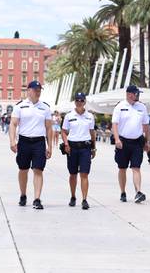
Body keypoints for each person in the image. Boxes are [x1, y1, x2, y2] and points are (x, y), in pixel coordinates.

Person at [9, 80, 53, 210]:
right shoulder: (20, 106)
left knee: (38, 169)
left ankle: (37, 198)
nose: (37, 92)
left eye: (39, 90)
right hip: (24, 141)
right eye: (35, 90)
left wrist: (49, 146)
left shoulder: (45, 107)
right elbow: (13, 124)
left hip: (39, 142)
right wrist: (12, 141)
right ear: (28, 90)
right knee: (23, 169)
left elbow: (49, 128)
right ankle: (23, 195)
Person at [112, 85, 150, 203]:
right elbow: (115, 124)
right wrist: (117, 139)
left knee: (136, 167)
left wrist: (148, 141)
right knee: (122, 168)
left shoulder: (142, 107)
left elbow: (146, 126)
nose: (138, 96)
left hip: (137, 142)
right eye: (136, 94)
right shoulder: (120, 107)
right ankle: (123, 192)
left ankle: (138, 192)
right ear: (129, 94)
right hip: (123, 142)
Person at [61, 93, 96, 210]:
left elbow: (92, 133)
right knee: (72, 174)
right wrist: (66, 144)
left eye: (81, 100)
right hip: (72, 147)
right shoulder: (69, 116)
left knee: (84, 174)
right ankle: (73, 196)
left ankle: (85, 199)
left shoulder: (90, 116)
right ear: (75, 102)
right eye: (77, 100)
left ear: (85, 102)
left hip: (85, 148)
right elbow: (64, 131)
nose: (79, 102)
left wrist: (93, 148)